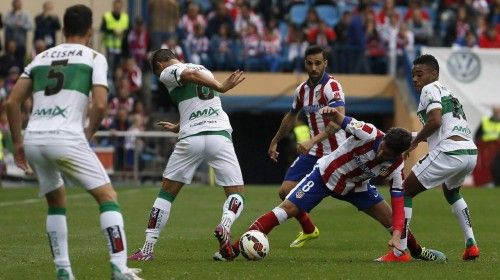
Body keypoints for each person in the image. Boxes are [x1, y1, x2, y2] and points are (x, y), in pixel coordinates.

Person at [4, 5, 142, 279]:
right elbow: (101, 103)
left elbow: (11, 102)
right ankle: (119, 267)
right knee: (108, 198)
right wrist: (88, 132)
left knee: (56, 203)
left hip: (34, 139)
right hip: (66, 136)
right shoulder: (94, 57)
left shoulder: (40, 57)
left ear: (63, 29)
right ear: (90, 31)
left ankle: (64, 271)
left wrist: (18, 143)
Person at [237, 107, 446, 262]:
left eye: (388, 153)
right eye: (383, 147)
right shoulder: (369, 132)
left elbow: (399, 203)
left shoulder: (397, 168)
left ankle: (418, 251)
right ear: (383, 139)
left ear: (398, 155)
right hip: (326, 176)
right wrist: (333, 114)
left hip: (357, 187)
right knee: (288, 208)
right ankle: (241, 244)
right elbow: (342, 120)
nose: (382, 152)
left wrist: (398, 233)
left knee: (392, 220)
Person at [128, 49, 246, 262]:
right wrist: (178, 126)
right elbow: (201, 104)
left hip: (192, 139)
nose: (160, 78)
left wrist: (221, 86)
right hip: (219, 136)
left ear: (160, 65)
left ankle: (147, 249)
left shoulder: (169, 70)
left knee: (166, 193)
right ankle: (225, 225)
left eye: (156, 73)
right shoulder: (203, 69)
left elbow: (187, 76)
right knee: (236, 193)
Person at [268, 45, 347, 248]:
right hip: (313, 152)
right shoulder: (301, 90)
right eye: (310, 63)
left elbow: (338, 120)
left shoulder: (332, 86)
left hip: (338, 152)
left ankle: (400, 235)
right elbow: (291, 116)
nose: (313, 68)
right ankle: (309, 230)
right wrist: (275, 140)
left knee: (356, 196)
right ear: (305, 63)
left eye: (318, 63)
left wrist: (312, 140)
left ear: (325, 64)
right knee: (285, 191)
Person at [403, 54, 480, 261]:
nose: (415, 79)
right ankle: (471, 244)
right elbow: (441, 129)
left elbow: (435, 122)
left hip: (451, 151)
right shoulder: (449, 93)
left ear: (434, 74)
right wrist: (412, 136)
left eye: (419, 74)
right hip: (469, 152)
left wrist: (415, 141)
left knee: (405, 190)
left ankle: (400, 248)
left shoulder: (430, 89)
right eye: (413, 76)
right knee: (451, 191)